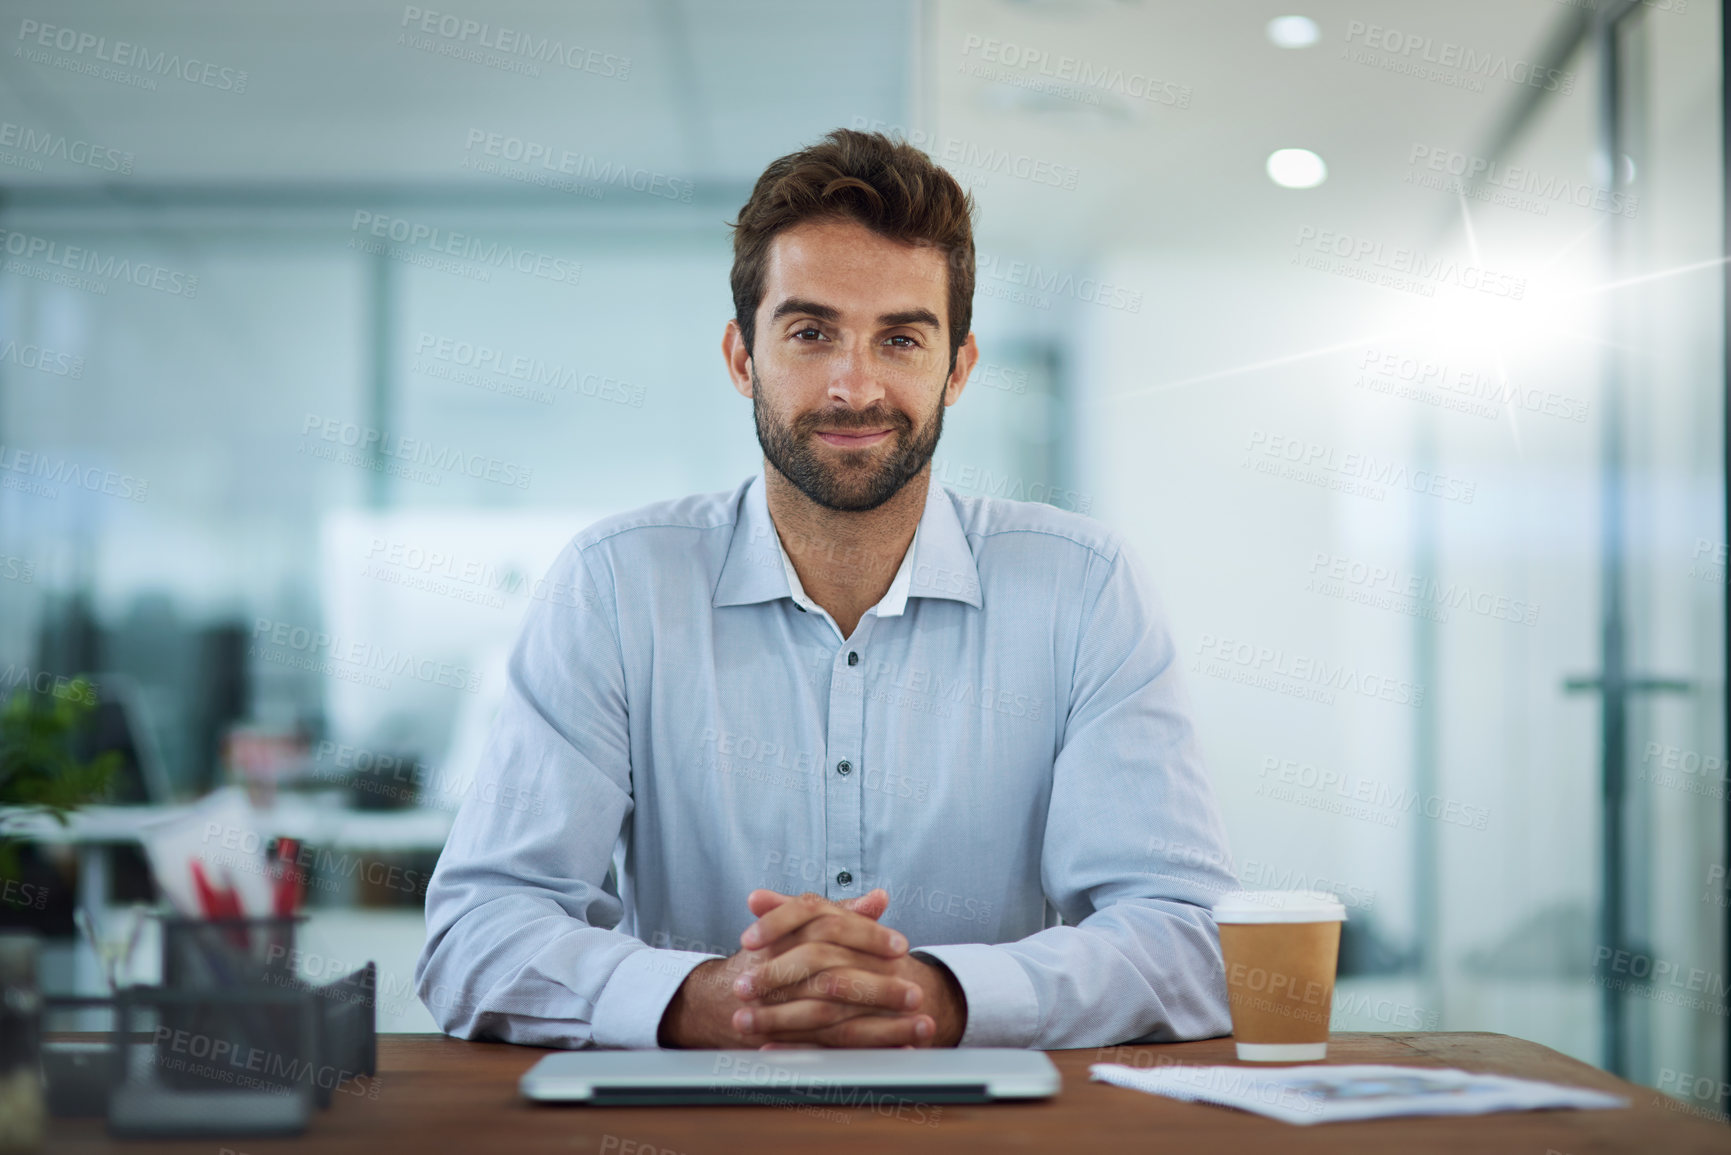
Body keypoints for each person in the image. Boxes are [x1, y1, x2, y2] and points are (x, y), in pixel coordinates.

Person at [415, 128, 1238, 1050]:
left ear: (956, 369)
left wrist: (944, 993)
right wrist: (699, 999)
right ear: (742, 357)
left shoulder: (1084, 589)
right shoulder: (614, 584)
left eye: (900, 338)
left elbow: (1189, 932)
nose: (855, 386)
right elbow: (475, 932)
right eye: (811, 334)